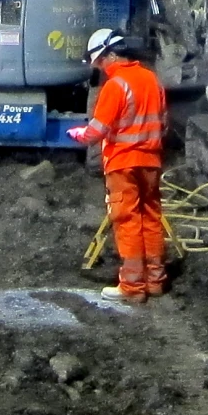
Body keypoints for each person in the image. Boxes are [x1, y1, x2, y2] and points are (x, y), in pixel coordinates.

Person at [66, 28, 168, 300]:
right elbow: (163, 122)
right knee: (151, 218)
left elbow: (97, 131)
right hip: (151, 161)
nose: (101, 67)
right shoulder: (151, 79)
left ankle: (132, 288)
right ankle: (155, 281)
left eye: (100, 61)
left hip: (123, 164)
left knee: (128, 221)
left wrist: (79, 134)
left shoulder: (116, 86)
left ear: (110, 55)